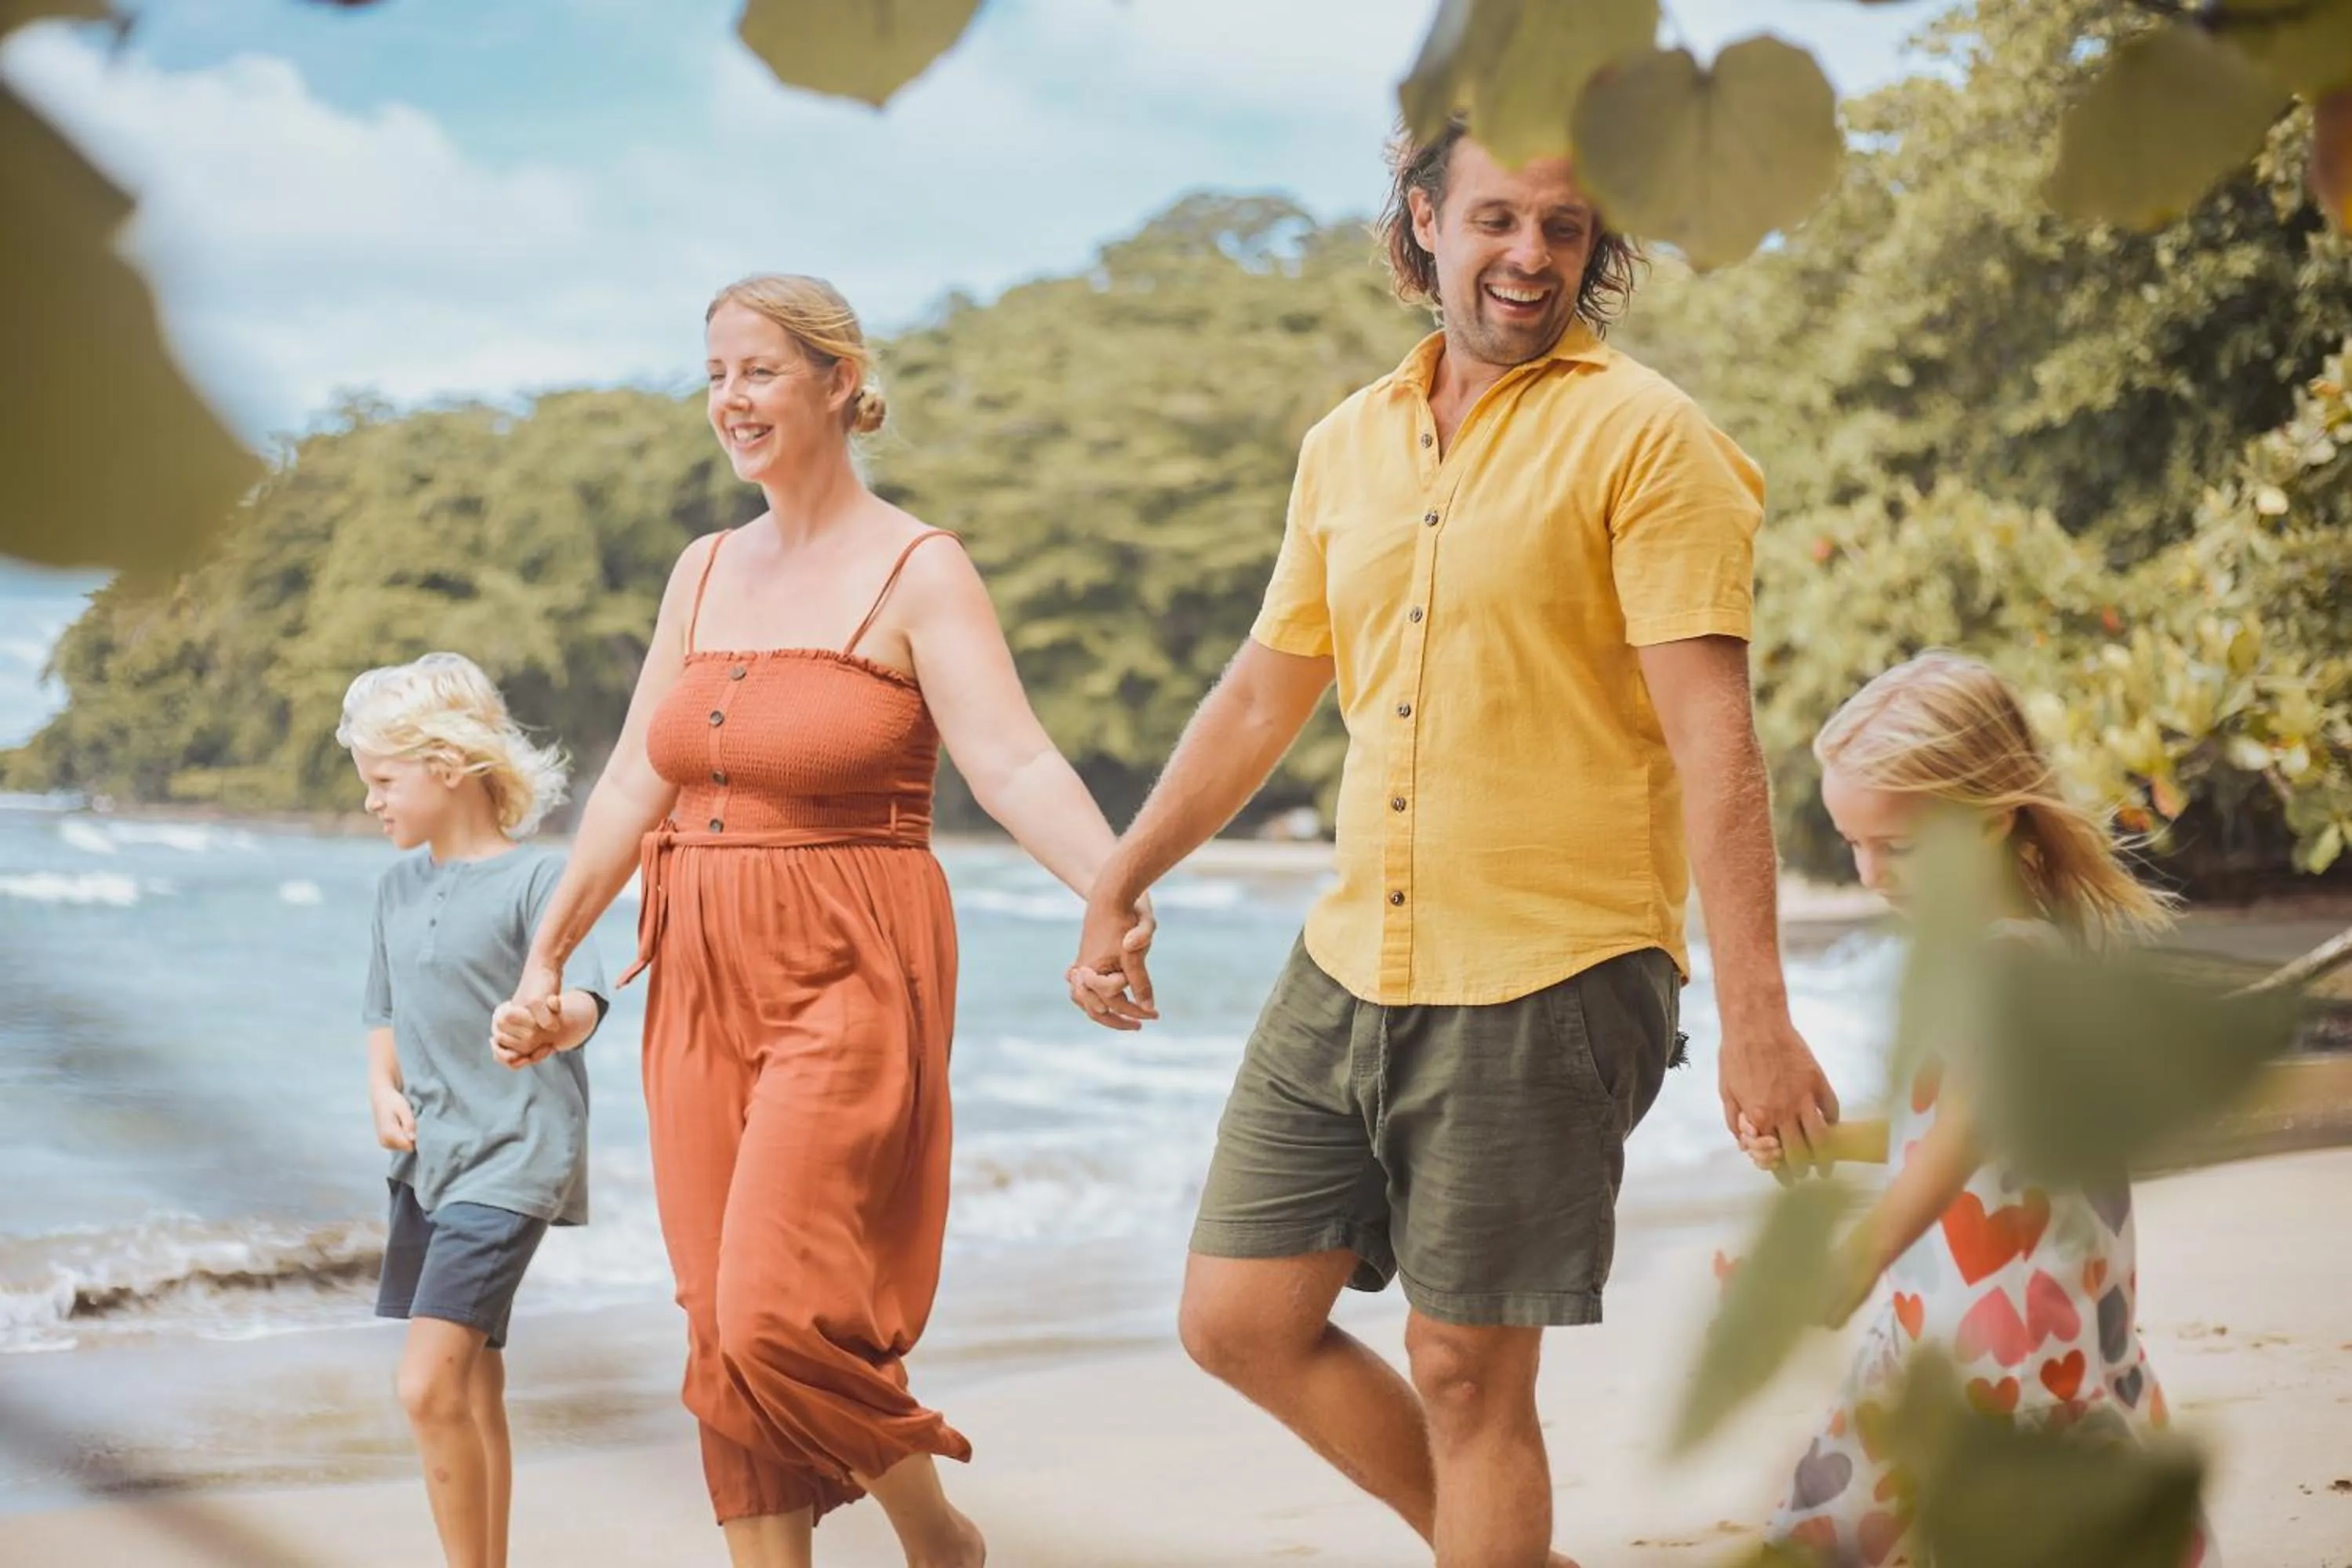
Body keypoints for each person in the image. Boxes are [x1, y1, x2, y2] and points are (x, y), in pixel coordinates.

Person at [1065, 118, 1837, 1568]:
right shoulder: (1345, 445)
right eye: (1496, 220)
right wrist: (1123, 874)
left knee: (1468, 1374)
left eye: (1563, 228)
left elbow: (1716, 743)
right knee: (1238, 1318)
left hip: (1556, 965)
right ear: (1424, 219)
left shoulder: (1649, 437)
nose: (1529, 257)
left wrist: (1759, 1015)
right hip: (1353, 956)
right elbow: (1261, 698)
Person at [496, 274, 1147, 1568]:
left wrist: (1114, 896)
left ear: (841, 383)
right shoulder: (700, 570)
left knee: (772, 1314)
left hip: (848, 966)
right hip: (694, 969)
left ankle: (938, 1534)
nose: (730, 400)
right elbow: (631, 781)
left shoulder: (919, 568)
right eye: (715, 375)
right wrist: (549, 949)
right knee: (712, 1315)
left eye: (760, 371)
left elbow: (1014, 762)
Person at [1742, 651, 2216, 1567]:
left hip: (2008, 1331)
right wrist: (1828, 1142)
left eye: (1899, 846)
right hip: (1971, 1316)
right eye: (1852, 843)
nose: (1870, 872)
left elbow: (1972, 1122)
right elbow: (1943, 1123)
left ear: (1992, 817)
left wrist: (1868, 1243)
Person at [341, 651, 610, 1568]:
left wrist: (545, 1019)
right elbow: (381, 1010)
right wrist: (382, 1089)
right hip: (431, 1164)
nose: (372, 800)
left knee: (426, 1386)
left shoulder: (540, 881)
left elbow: (587, 1002)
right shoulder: (394, 887)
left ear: (447, 766)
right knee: (474, 1382)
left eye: (384, 780)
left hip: (515, 1154)